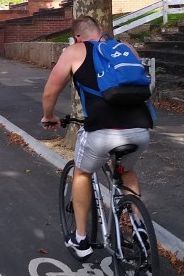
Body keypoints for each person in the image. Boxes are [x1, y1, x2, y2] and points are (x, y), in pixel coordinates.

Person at [41, 15, 153, 260]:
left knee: (81, 172)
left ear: (77, 37)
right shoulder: (126, 48)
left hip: (103, 132)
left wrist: (49, 116)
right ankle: (139, 228)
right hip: (140, 129)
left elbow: (51, 90)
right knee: (126, 171)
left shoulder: (74, 51)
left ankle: (81, 239)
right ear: (101, 30)